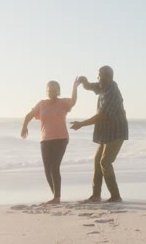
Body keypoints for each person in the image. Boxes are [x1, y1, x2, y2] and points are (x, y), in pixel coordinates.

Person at [70, 66, 128, 203]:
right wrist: (84, 82)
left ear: (108, 77)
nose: (98, 78)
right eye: (98, 75)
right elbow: (91, 86)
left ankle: (115, 196)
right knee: (98, 161)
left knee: (105, 162)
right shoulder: (104, 86)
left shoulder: (112, 92)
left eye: (100, 76)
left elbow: (102, 115)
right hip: (107, 132)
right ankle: (96, 195)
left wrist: (81, 124)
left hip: (117, 132)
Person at [21, 78, 81, 204]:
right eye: (49, 90)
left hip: (61, 138)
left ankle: (57, 198)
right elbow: (29, 115)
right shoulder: (42, 104)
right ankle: (55, 195)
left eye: (54, 90)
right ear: (46, 91)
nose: (51, 92)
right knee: (47, 170)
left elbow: (73, 101)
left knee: (54, 167)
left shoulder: (63, 102)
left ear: (58, 91)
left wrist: (75, 86)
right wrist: (24, 126)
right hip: (45, 140)